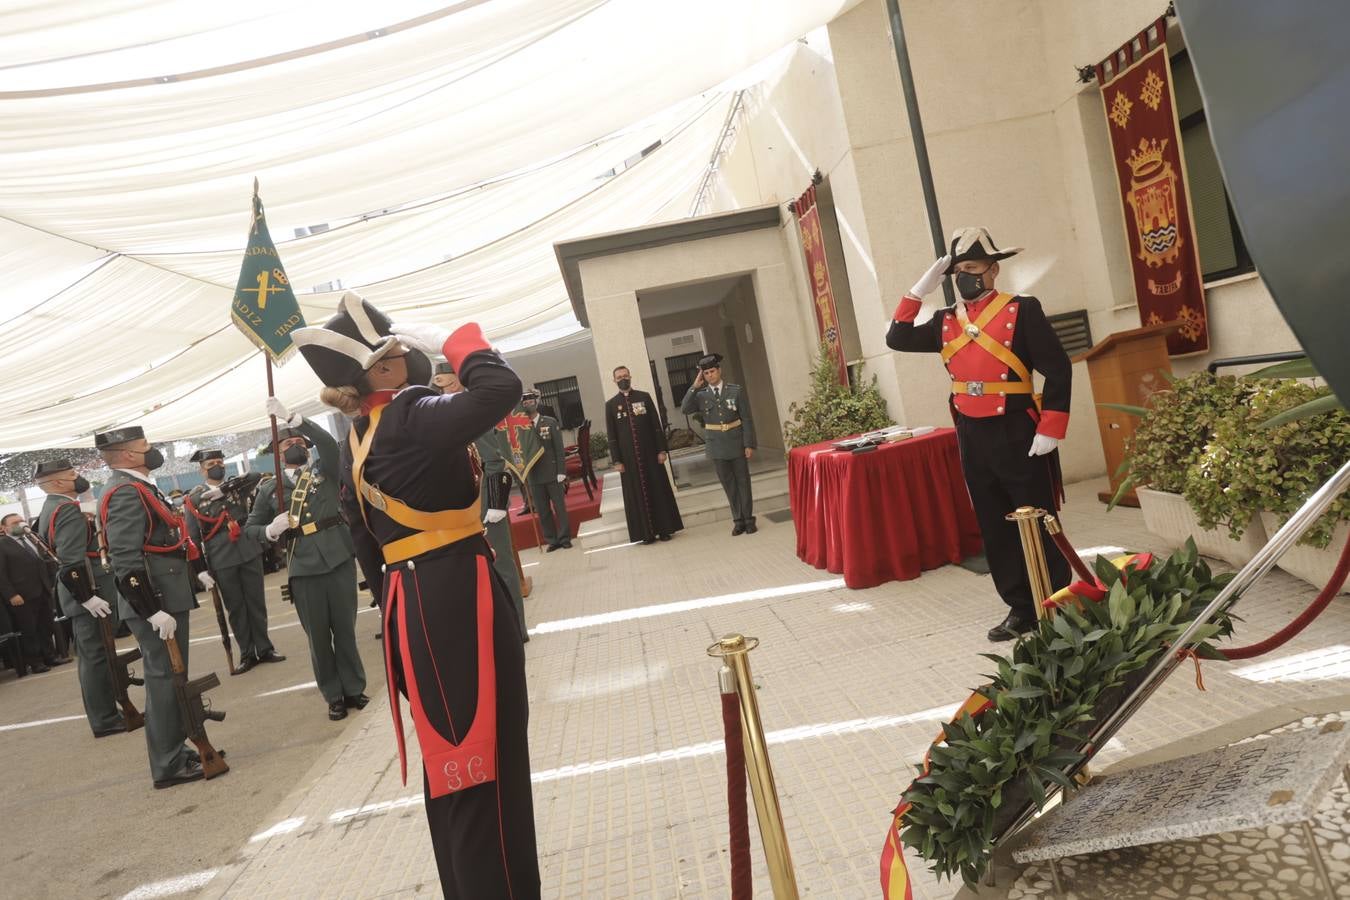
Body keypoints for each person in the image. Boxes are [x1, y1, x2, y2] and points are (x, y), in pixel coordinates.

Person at [290, 292, 539, 898]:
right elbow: (500, 391)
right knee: (484, 755)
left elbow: (361, 536)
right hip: (451, 586)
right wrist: (462, 340)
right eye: (393, 350)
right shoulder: (409, 414)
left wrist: (397, 598)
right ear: (376, 372)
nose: (406, 350)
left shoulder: (362, 432)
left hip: (413, 594)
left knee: (455, 761)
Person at [886, 226, 1072, 641]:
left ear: (993, 270)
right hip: (972, 431)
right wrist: (918, 291)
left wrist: (1051, 425)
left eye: (971, 268)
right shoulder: (944, 321)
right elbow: (896, 338)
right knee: (994, 523)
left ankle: (1059, 600)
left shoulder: (1023, 309)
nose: (964, 277)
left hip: (1018, 426)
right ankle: (1020, 607)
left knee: (1039, 517)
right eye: (957, 272)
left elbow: (1057, 368)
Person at [95, 426, 209, 788]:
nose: (152, 449)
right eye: (145, 446)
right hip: (155, 600)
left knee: (173, 678)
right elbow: (125, 558)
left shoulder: (141, 486)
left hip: (165, 594)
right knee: (162, 681)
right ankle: (167, 764)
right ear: (128, 455)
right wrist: (150, 609)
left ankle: (176, 749)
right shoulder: (126, 492)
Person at [246, 413, 367, 721]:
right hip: (303, 567)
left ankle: (354, 687)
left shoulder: (324, 471)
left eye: (299, 441)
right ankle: (334, 694)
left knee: (345, 631)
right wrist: (270, 531)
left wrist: (297, 420)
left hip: (337, 557)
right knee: (318, 638)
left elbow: (328, 443)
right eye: (288, 443)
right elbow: (251, 527)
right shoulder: (269, 489)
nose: (295, 445)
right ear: (277, 452)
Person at [433, 362, 528, 641]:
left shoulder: (472, 411)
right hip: (458, 507)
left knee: (502, 566)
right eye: (441, 386)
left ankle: (516, 628)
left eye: (450, 383)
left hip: (487, 505)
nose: (446, 390)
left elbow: (495, 461)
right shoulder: (440, 416)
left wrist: (498, 503)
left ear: (460, 382)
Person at [34, 460, 124, 735]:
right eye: (72, 475)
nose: (79, 477)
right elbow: (70, 561)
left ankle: (106, 713)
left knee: (94, 656)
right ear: (58, 483)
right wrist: (87, 597)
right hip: (87, 593)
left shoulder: (52, 508)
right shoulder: (66, 511)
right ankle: (105, 719)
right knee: (96, 657)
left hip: (83, 592)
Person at [184, 450, 284, 674]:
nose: (217, 466)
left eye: (219, 462)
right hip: (221, 556)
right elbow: (192, 536)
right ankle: (247, 653)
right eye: (211, 464)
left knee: (256, 602)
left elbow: (256, 475)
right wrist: (200, 570)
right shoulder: (194, 497)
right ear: (202, 469)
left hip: (248, 549)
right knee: (236, 607)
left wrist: (224, 489)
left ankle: (265, 647)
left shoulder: (237, 485)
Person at [680, 353, 758, 535]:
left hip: (736, 442)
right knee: (728, 484)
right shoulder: (701, 395)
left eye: (712, 371)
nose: (710, 376)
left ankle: (749, 520)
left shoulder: (735, 391)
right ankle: (738, 520)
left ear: (719, 371)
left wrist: (748, 444)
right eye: (706, 373)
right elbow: (685, 408)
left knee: (743, 482)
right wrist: (694, 386)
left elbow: (746, 418)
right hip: (716, 446)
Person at [605, 365, 683, 544]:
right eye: (619, 377)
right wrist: (617, 460)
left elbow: (656, 425)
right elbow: (612, 436)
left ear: (630, 376)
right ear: (614, 381)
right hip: (629, 460)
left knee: (658, 490)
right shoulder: (611, 405)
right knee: (636, 495)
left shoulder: (644, 397)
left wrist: (661, 450)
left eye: (625, 375)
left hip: (650, 454)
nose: (623, 379)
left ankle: (665, 530)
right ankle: (645, 534)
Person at [0, 513, 64, 673]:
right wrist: (11, 594)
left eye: (21, 521)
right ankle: (35, 662)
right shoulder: (3, 545)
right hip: (21, 595)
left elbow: (44, 562)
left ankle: (50, 656)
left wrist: (49, 584)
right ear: (4, 528)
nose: (20, 524)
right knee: (30, 629)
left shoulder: (33, 539)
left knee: (46, 625)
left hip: (42, 590)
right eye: (15, 522)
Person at [520, 390, 572, 552]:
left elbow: (558, 449)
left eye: (531, 400)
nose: (528, 403)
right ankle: (552, 540)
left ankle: (564, 538)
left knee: (559, 508)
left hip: (552, 473)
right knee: (543, 511)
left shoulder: (549, 422)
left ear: (537, 401)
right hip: (534, 475)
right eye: (525, 401)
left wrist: (561, 471)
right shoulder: (521, 427)